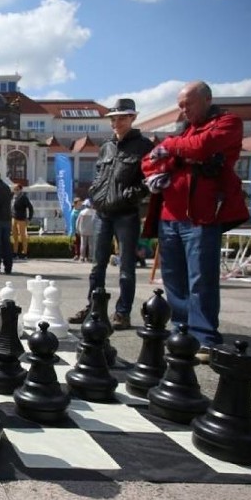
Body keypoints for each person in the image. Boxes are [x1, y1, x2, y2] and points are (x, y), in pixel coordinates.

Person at [142, 81, 249, 359]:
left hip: (201, 216)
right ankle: (182, 330)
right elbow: (149, 161)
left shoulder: (228, 122)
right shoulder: (185, 130)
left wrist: (171, 147)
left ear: (206, 99)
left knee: (201, 278)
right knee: (174, 278)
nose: (183, 110)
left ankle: (204, 336)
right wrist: (178, 150)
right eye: (180, 105)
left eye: (187, 104)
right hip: (169, 215)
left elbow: (202, 147)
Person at [68, 98, 153, 331]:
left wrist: (130, 195)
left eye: (122, 118)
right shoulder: (107, 146)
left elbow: (150, 180)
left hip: (126, 212)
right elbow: (99, 175)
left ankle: (122, 312)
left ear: (133, 118)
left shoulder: (144, 146)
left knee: (126, 266)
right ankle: (93, 307)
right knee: (98, 265)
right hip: (103, 212)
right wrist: (95, 192)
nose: (116, 122)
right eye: (113, 119)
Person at [11, 183, 33, 259]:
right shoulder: (13, 197)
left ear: (21, 190)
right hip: (14, 218)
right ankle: (15, 252)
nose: (15, 191)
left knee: (23, 237)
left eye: (17, 189)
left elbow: (30, 208)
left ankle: (24, 253)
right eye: (14, 189)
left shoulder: (23, 197)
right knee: (15, 237)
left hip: (21, 219)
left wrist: (29, 218)